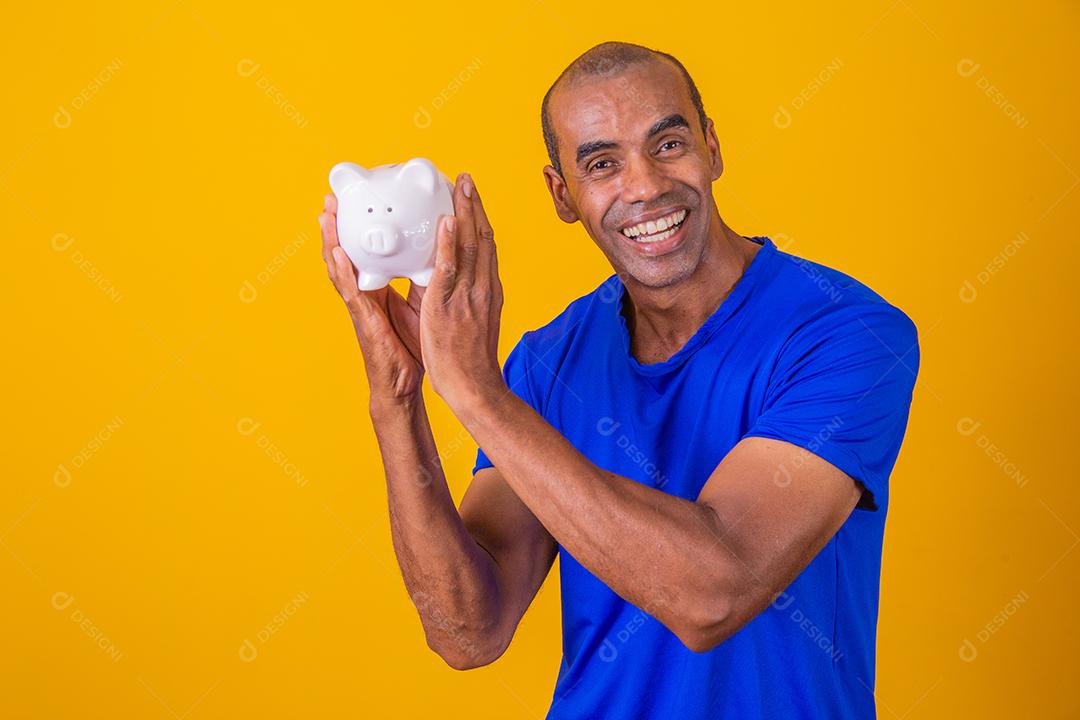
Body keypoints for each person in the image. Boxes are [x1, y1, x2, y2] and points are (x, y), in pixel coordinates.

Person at [318, 40, 920, 720]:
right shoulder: (548, 364)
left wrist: (477, 394)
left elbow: (715, 593)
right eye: (602, 163)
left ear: (713, 148)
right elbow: (467, 631)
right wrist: (398, 401)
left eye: (667, 145)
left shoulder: (846, 335)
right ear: (561, 194)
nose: (645, 186)